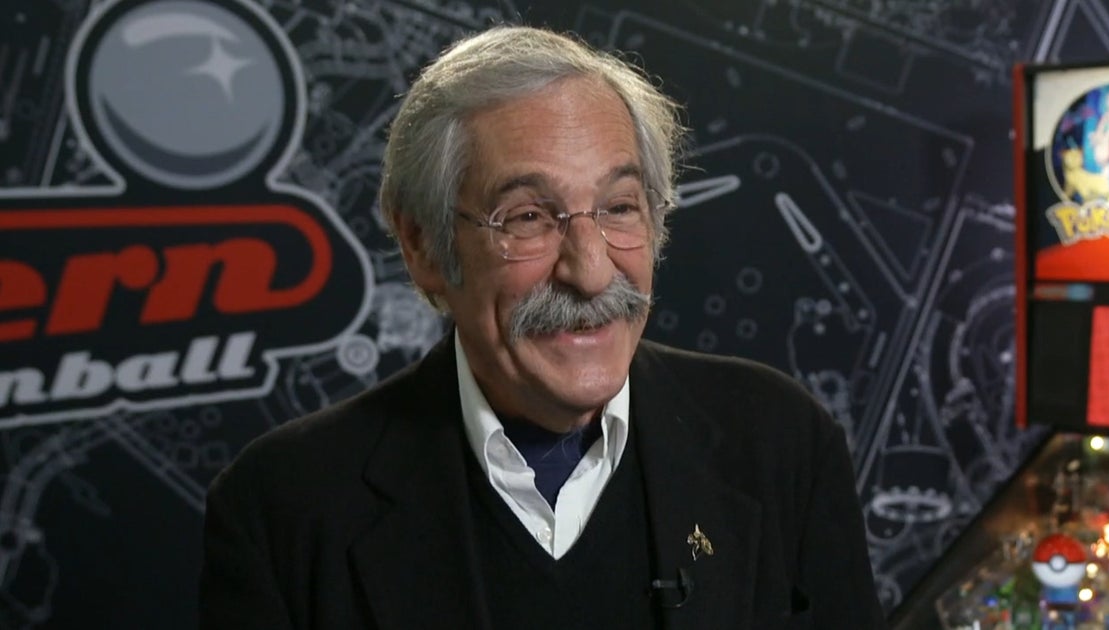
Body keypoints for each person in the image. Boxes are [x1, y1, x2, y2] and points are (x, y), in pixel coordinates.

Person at [199, 25, 885, 629]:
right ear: (423, 246)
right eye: (528, 218)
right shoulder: (283, 509)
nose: (590, 272)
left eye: (619, 208)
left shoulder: (781, 445)